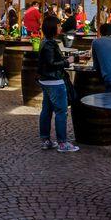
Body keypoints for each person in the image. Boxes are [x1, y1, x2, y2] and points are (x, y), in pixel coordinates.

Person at [37, 17, 78, 152]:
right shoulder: (50, 44)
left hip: (45, 80)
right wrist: (68, 61)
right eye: (59, 26)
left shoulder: (45, 42)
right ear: (53, 27)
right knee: (61, 111)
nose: (61, 28)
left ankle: (46, 140)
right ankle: (62, 143)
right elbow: (51, 64)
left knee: (47, 110)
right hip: (54, 81)